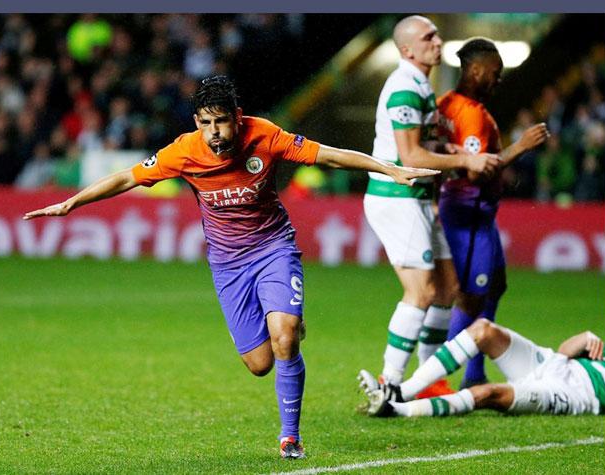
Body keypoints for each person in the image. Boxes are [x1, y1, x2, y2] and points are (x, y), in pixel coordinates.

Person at [23, 75, 439, 460]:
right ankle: (287, 323)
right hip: (228, 265)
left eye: (222, 121)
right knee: (260, 364)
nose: (215, 132)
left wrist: (388, 168)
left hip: (274, 248)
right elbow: (128, 178)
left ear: (237, 118)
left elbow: (328, 156)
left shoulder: (265, 135)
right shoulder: (183, 152)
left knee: (285, 339)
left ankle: (290, 435)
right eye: (206, 123)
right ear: (196, 122)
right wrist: (72, 202)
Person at [362, 16, 501, 395]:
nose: (438, 42)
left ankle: (428, 378)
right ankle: (389, 381)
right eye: (429, 37)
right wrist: (465, 160)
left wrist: (446, 149)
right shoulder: (404, 87)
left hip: (418, 199)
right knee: (421, 292)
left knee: (447, 287)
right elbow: (409, 157)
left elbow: (422, 147)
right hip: (397, 197)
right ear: (407, 49)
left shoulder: (422, 84)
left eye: (437, 35)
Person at [435, 38, 549, 388]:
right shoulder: (471, 114)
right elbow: (474, 169)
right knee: (471, 295)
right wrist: (520, 147)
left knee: (495, 285)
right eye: (495, 74)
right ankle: (437, 378)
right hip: (468, 211)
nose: (499, 80)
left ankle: (474, 374)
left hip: (474, 212)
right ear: (475, 70)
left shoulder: (447, 104)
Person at [358, 318, 605, 418]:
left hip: (574, 395)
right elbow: (565, 351)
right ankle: (401, 391)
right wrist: (586, 338)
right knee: (484, 331)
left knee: (487, 394)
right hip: (554, 363)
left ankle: (395, 410)